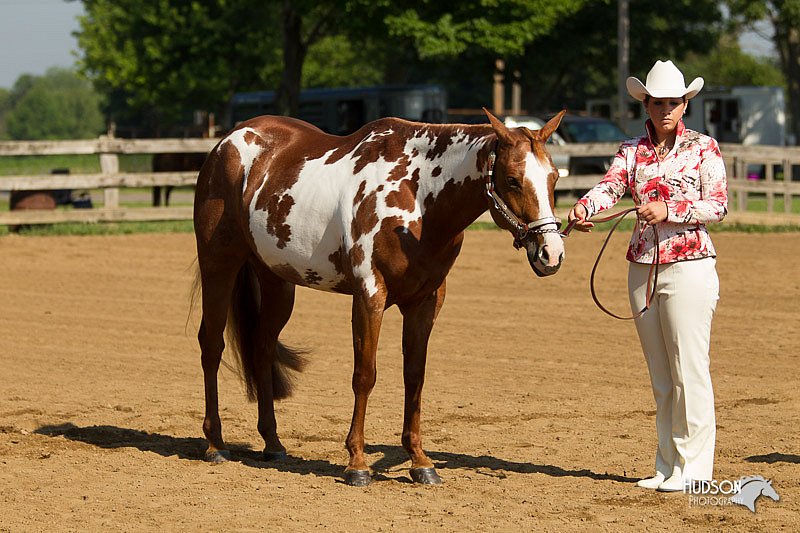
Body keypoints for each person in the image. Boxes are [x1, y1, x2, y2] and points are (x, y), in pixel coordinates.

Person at [568, 60, 728, 492]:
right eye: (658, 102)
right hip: (642, 266)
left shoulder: (704, 148)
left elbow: (718, 205)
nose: (666, 109)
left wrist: (669, 210)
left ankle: (695, 470)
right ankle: (667, 465)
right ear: (647, 103)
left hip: (690, 265)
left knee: (688, 369)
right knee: (661, 374)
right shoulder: (631, 151)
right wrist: (585, 207)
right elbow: (610, 186)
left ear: (684, 105)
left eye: (674, 102)